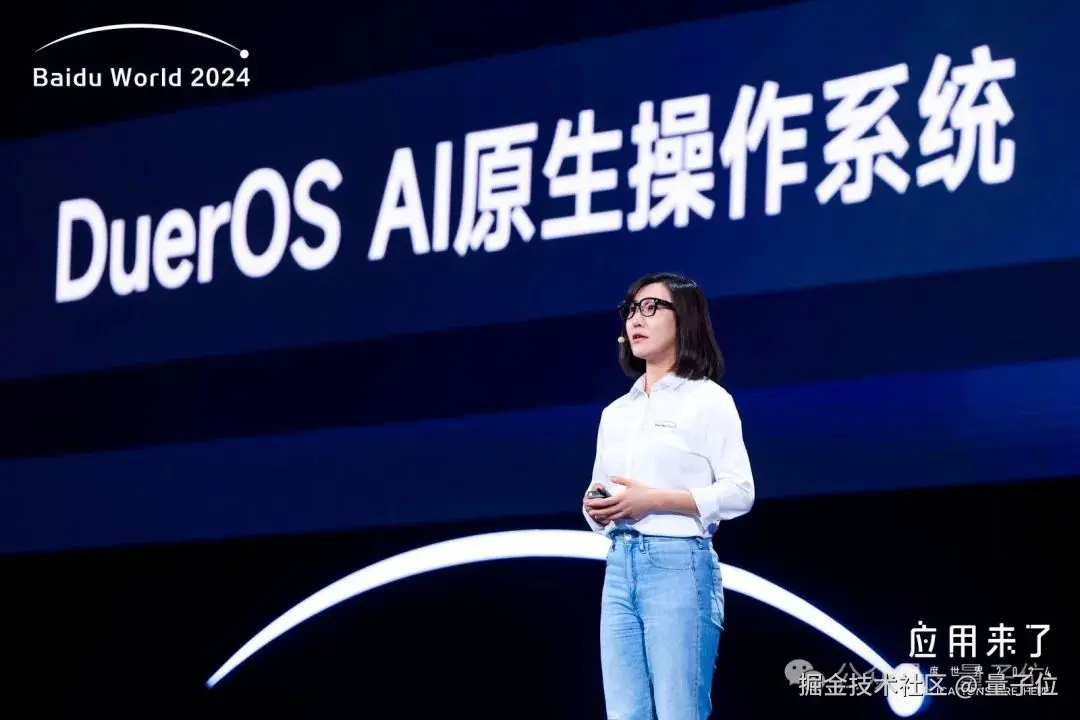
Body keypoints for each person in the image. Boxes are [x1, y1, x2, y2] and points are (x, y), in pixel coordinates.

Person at [582, 271, 755, 720]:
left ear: (685, 318)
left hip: (678, 564)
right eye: (631, 310)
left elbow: (740, 492)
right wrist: (597, 506)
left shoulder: (708, 400)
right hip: (619, 566)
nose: (635, 320)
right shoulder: (615, 413)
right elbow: (601, 492)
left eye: (651, 308)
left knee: (680, 711)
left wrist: (655, 500)